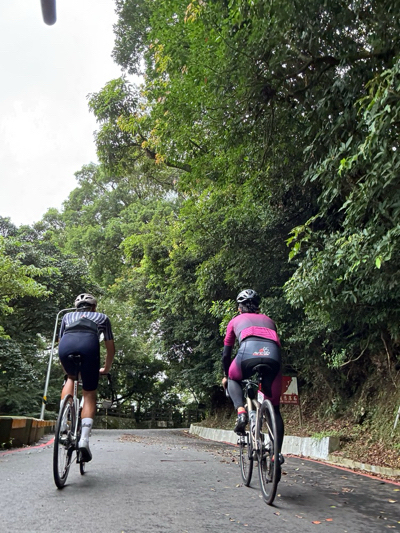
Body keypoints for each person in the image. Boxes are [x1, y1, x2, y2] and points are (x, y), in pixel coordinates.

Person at [221, 289, 284, 461]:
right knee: (275, 409)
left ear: (240, 308)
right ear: (258, 307)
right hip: (273, 357)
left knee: (233, 378)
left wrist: (226, 374)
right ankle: (276, 455)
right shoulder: (269, 320)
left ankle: (241, 411)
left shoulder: (235, 321)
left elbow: (226, 354)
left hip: (247, 355)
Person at [58, 293, 115, 462]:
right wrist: (105, 368)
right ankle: (83, 439)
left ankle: (62, 423)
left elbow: (61, 342)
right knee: (89, 393)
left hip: (66, 347)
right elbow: (110, 348)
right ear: (94, 307)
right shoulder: (102, 318)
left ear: (76, 307)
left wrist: (67, 369)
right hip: (89, 347)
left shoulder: (67, 316)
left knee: (70, 377)